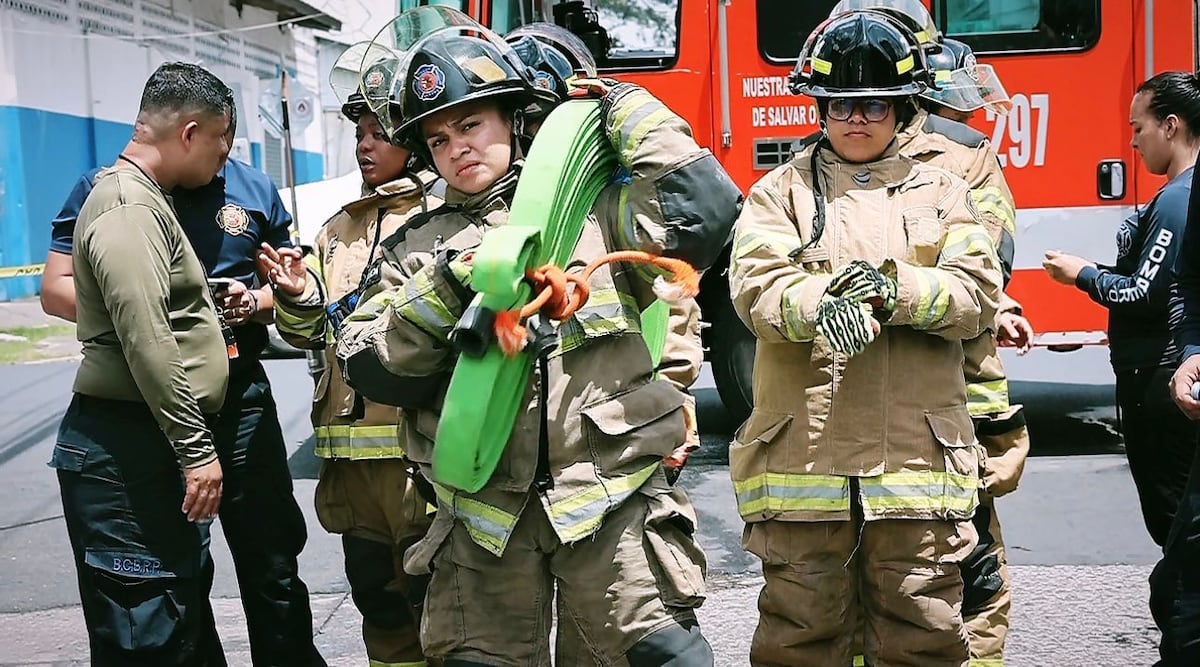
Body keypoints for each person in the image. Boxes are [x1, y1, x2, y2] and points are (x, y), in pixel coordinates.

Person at [334, 24, 740, 665]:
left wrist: (623, 105)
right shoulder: (414, 248)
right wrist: (446, 285)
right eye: (438, 140)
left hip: (612, 505)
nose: (457, 149)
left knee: (667, 658)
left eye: (471, 125)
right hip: (482, 526)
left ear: (515, 120)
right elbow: (370, 367)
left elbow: (704, 210)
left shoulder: (599, 216)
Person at [730, 11, 1002, 665]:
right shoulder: (778, 194)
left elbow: (977, 292)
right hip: (804, 467)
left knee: (924, 634)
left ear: (902, 108)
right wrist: (823, 304)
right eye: (842, 104)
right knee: (798, 638)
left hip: (915, 471)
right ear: (820, 107)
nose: (857, 118)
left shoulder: (945, 193)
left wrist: (894, 290)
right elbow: (754, 288)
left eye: (875, 103)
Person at [48, 61, 233, 665]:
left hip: (144, 443)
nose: (224, 155)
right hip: (127, 452)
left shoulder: (146, 199)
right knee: (147, 634)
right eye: (220, 138)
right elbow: (146, 337)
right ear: (189, 132)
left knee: (175, 621)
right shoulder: (128, 206)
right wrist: (196, 450)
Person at [257, 71, 439, 667]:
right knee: (378, 602)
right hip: (353, 472)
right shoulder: (336, 230)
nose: (364, 145)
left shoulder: (445, 215)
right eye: (359, 134)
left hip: (423, 462)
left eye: (378, 133)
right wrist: (294, 294)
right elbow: (308, 331)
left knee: (441, 608)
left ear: (413, 137)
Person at [910, 35, 1032, 667]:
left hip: (867, 407)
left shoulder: (825, 155)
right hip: (962, 396)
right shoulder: (970, 155)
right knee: (975, 566)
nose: (968, 118)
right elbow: (991, 263)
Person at [1044, 71, 1199, 549]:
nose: (1132, 142)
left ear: (1170, 126)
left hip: (1159, 374)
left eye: (1138, 128)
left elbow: (1143, 293)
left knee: (1174, 525)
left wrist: (1083, 275)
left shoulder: (1177, 200)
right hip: (1162, 371)